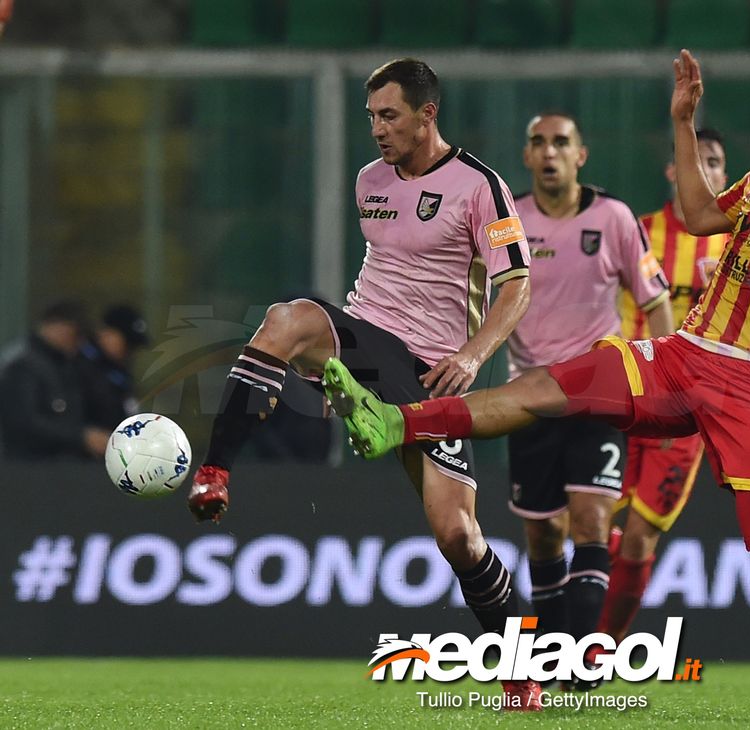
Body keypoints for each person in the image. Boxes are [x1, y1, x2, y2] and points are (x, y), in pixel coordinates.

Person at [323, 49, 750, 717]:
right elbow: (700, 217)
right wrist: (682, 123)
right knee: (543, 387)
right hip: (685, 354)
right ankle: (396, 422)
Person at [185, 58, 541, 710]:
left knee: (458, 535)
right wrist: (333, 355)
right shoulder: (370, 179)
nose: (377, 129)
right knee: (286, 319)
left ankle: (521, 667)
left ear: (427, 114)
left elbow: (517, 286)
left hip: (431, 371)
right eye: (372, 116)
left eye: (390, 116)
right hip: (366, 338)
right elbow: (384, 273)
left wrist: (472, 356)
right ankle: (216, 470)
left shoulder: (479, 186)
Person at [508, 112, 673, 667]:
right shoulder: (508, 223)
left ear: (580, 156)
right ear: (526, 156)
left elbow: (655, 302)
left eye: (561, 143)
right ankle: (548, 661)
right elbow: (478, 297)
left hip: (598, 392)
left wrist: (663, 388)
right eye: (538, 143)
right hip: (527, 397)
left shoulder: (614, 218)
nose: (549, 152)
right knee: (543, 535)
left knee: (592, 523)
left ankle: (583, 664)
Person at [601, 128, 730, 646]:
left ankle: (599, 650)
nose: (705, 169)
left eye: (714, 162)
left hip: (684, 414)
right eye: (696, 160)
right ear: (674, 170)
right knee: (588, 526)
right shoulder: (638, 232)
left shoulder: (737, 246)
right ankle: (574, 635)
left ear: (725, 175)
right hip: (622, 398)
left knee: (638, 539)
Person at [0, 300, 110, 460]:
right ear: (57, 326)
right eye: (76, 334)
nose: (80, 342)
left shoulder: (66, 364)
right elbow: (23, 423)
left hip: (62, 464)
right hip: (28, 465)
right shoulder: (22, 363)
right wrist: (81, 437)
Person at [79, 304, 150, 431]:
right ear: (107, 333)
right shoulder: (78, 367)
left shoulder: (119, 373)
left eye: (134, 346)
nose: (131, 351)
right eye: (128, 343)